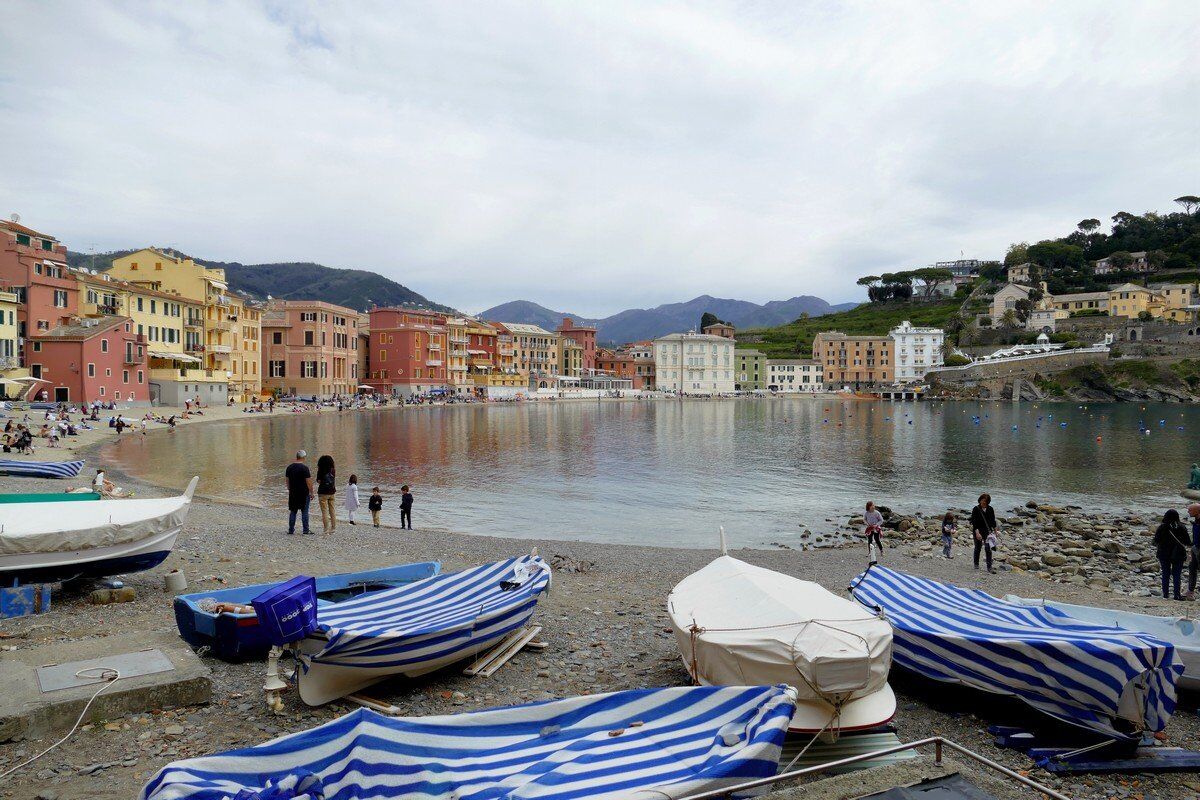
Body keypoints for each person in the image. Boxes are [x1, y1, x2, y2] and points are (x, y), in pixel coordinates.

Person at [1154, 509, 1190, 601]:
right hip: (1178, 554)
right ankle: (1177, 595)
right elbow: (1187, 542)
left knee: (1165, 573)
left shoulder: (1162, 527)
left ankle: (1165, 595)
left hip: (1163, 553)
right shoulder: (1182, 527)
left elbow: (1156, 540)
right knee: (1177, 574)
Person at [285, 450, 314, 535]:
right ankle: (305, 530)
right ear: (303, 457)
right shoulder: (305, 468)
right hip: (304, 493)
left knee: (293, 511)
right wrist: (311, 492)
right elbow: (309, 482)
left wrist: (290, 489)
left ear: (296, 457)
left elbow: (287, 481)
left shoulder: (289, 467)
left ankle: (291, 530)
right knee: (304, 512)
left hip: (293, 493)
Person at [970, 493, 997, 574]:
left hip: (987, 531)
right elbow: (974, 522)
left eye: (985, 501)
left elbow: (993, 521)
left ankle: (989, 567)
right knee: (978, 547)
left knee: (988, 549)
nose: (983, 502)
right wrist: (977, 533)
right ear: (980, 500)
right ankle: (976, 563)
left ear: (988, 502)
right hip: (978, 530)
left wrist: (995, 531)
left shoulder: (990, 509)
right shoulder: (976, 509)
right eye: (982, 500)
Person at [316, 455, 337, 533]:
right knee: (332, 510)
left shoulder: (320, 470)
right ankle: (333, 528)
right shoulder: (333, 470)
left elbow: (319, 481)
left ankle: (326, 529)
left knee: (324, 511)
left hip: (323, 493)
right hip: (332, 492)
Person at [1187, 503, 1200, 600]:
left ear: (1197, 511)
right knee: (1192, 568)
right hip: (1195, 548)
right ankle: (1190, 591)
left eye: (1190, 510)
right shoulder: (1196, 520)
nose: (1188, 512)